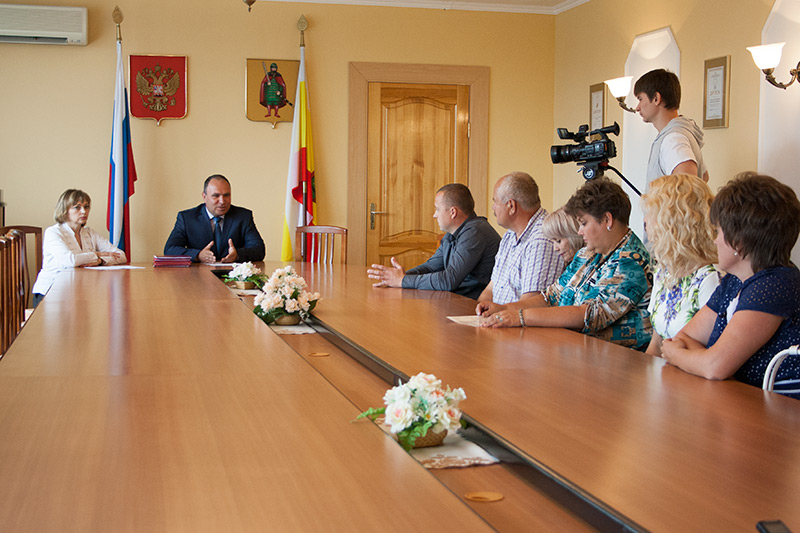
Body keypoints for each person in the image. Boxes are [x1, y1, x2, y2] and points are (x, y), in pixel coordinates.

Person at [661, 173, 800, 398]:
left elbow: (714, 367)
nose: (714, 240)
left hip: (780, 417)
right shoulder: (735, 280)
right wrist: (708, 361)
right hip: (738, 403)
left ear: (738, 241)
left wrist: (678, 356)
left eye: (718, 232)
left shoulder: (775, 284)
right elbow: (685, 338)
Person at [483, 178, 653, 351]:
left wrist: (520, 317)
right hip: (573, 352)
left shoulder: (631, 260)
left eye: (584, 223)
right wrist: (504, 309)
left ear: (607, 220)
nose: (579, 231)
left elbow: (590, 314)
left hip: (615, 364)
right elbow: (550, 297)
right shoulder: (587, 253)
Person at [366, 183, 500, 299]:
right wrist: (396, 277)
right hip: (455, 299)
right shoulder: (453, 233)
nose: (434, 215)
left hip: (473, 305)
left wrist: (403, 280)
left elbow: (449, 280)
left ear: (453, 212)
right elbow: (431, 267)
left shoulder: (475, 232)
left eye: (437, 209)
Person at [641, 174, 720, 357]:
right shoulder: (664, 272)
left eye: (651, 213)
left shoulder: (711, 279)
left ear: (672, 221)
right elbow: (656, 342)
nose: (645, 222)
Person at [475, 172, 564, 315]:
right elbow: (491, 289)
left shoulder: (541, 240)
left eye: (495, 202)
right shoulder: (510, 235)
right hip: (499, 323)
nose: (493, 208)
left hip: (519, 328)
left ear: (511, 206)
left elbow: (531, 305)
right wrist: (479, 313)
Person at [31, 189, 126, 306]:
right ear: (64, 210)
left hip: (78, 292)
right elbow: (70, 261)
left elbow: (121, 255)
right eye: (77, 207)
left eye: (86, 207)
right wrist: (96, 254)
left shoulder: (90, 233)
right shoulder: (53, 232)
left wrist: (100, 261)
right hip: (50, 293)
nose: (83, 212)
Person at [634, 69, 709, 189]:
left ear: (656, 98)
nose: (637, 108)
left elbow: (688, 186)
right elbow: (704, 176)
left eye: (640, 99)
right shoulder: (682, 132)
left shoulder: (673, 139)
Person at [164, 174, 265, 263]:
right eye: (216, 196)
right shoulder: (187, 218)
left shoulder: (243, 216)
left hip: (232, 277)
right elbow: (170, 249)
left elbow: (259, 250)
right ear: (204, 197)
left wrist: (237, 255)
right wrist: (198, 255)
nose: (222, 201)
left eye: (226, 195)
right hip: (198, 277)